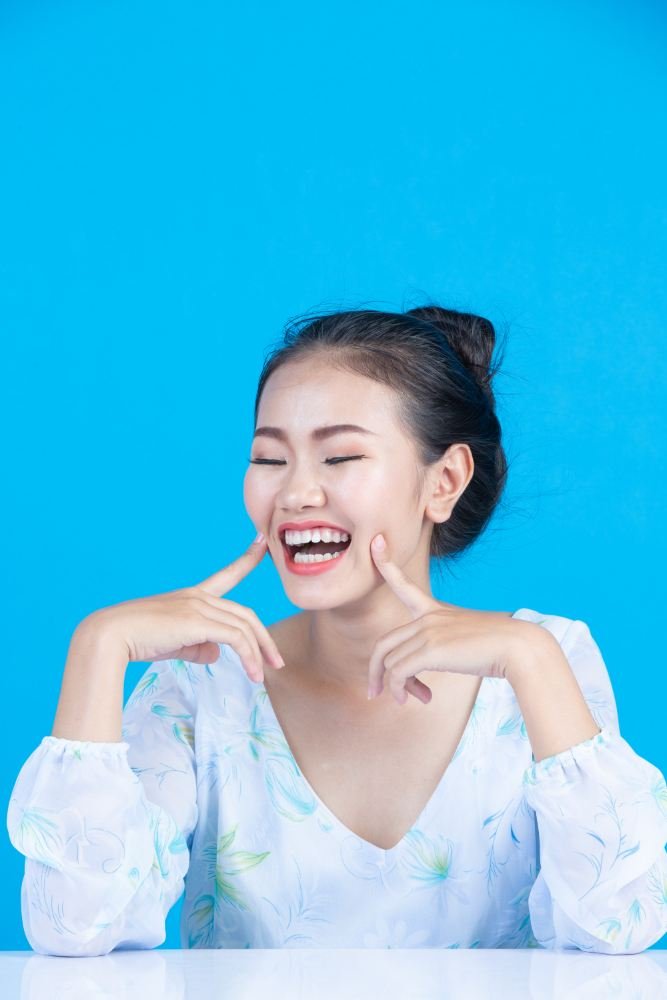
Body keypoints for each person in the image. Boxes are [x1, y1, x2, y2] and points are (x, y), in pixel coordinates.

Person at [7, 305, 667, 956]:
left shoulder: (541, 665)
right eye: (269, 459)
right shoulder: (201, 683)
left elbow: (617, 926)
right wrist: (96, 648)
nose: (294, 493)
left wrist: (531, 660)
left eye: (340, 456)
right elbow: (76, 930)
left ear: (443, 481)